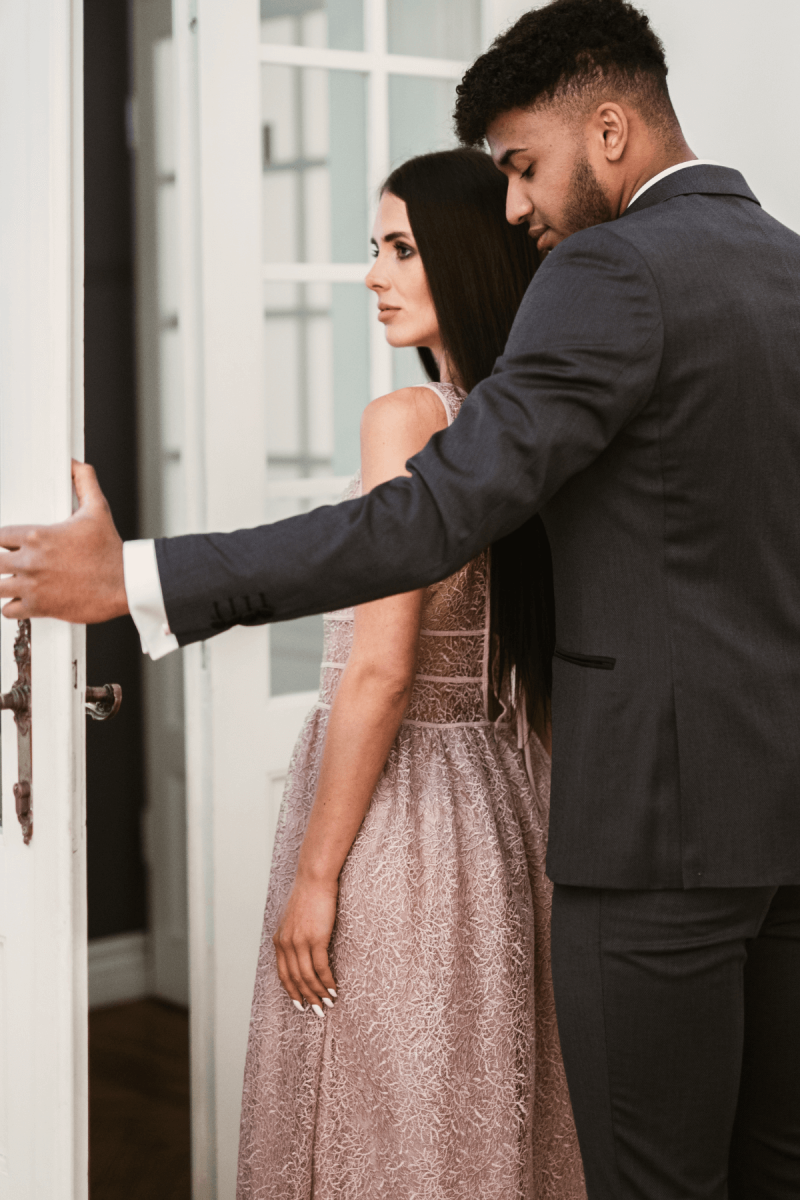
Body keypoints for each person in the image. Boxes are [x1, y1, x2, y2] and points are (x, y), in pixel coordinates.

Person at [3, 0, 800, 1195]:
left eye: (524, 168)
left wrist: (137, 576)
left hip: (653, 835)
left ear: (611, 126)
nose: (518, 207)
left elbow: (425, 518)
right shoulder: (782, 264)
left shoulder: (610, 269)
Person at [237, 147, 584, 1200]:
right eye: (372, 248)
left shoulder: (408, 420)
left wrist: (313, 874)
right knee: (472, 1111)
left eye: (399, 247)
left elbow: (380, 672)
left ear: (467, 259)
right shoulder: (531, 428)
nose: (371, 275)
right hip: (500, 813)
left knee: (374, 1121)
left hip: (404, 824)